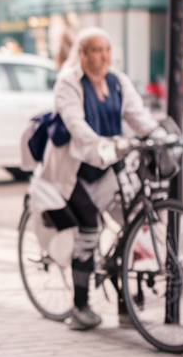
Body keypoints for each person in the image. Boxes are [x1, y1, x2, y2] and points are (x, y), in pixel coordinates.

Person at [42, 27, 158, 331]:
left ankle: (126, 305)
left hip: (108, 165)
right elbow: (76, 124)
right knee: (90, 227)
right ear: (82, 54)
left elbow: (137, 114)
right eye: (96, 50)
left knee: (133, 225)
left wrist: (158, 136)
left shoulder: (118, 81)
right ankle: (80, 307)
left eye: (107, 49)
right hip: (74, 170)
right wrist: (102, 143)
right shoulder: (69, 82)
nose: (103, 56)